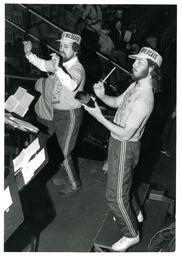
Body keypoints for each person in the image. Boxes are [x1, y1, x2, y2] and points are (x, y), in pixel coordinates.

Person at [83, 47, 162, 251]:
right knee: (122, 186)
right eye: (135, 61)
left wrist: (98, 116)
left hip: (125, 146)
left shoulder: (145, 99)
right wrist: (102, 96)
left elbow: (126, 134)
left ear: (152, 69)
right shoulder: (135, 85)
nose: (133, 64)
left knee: (114, 197)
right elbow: (117, 102)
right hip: (118, 142)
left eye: (140, 62)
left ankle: (131, 234)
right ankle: (135, 212)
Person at [23, 31, 86, 197]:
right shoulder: (62, 64)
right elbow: (43, 65)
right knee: (57, 148)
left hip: (71, 114)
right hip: (57, 113)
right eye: (61, 45)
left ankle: (74, 184)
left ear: (76, 49)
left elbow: (72, 85)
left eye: (65, 46)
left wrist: (57, 68)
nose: (61, 49)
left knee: (64, 151)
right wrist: (29, 55)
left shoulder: (77, 68)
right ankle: (65, 175)